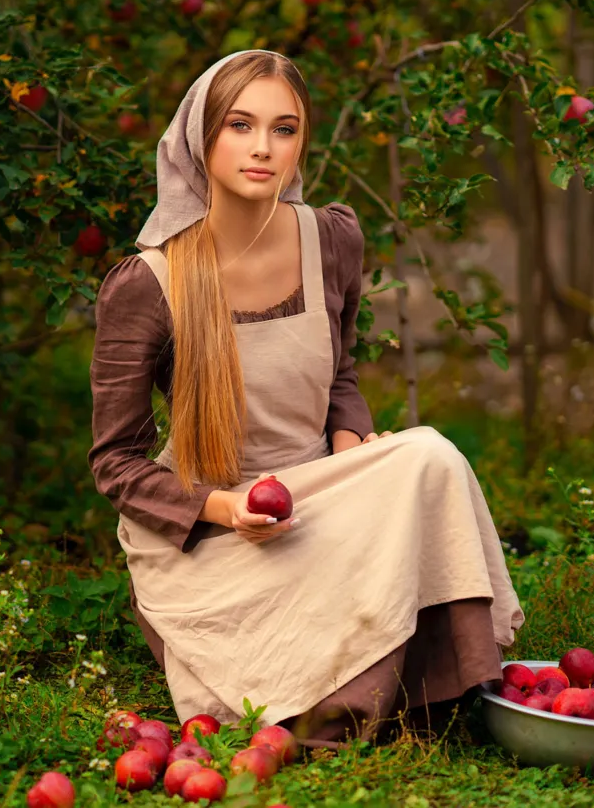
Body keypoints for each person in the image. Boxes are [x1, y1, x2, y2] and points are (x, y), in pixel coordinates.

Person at [88, 49, 524, 749]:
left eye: (283, 129)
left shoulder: (331, 240)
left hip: (318, 496)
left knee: (428, 457)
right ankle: (335, 711)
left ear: (301, 143)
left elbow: (339, 376)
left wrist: (353, 453)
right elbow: (115, 464)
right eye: (240, 125)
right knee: (420, 463)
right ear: (201, 138)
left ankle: (442, 682)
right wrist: (225, 508)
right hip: (216, 534)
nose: (263, 147)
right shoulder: (150, 283)